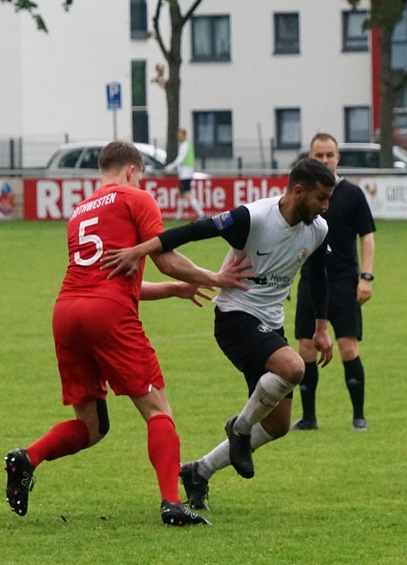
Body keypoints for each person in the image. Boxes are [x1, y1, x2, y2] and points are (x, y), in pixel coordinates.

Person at [4, 140, 250, 526]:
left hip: (66, 312)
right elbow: (166, 260)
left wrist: (175, 290)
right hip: (107, 314)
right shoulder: (136, 198)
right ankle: (172, 504)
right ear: (132, 170)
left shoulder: (79, 212)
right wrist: (214, 277)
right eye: (142, 177)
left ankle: (27, 457)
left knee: (91, 426)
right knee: (158, 410)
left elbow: (116, 280)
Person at [103, 158, 336, 511]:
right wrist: (141, 249)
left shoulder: (317, 229)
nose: (326, 206)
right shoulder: (253, 218)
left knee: (278, 426)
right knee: (293, 368)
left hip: (270, 324)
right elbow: (192, 231)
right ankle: (239, 429)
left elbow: (317, 276)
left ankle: (199, 471)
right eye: (321, 198)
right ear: (299, 191)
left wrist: (321, 328)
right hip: (234, 317)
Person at [291, 133, 377, 432]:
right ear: (310, 159)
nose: (325, 160)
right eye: (319, 155)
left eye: (330, 155)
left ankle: (359, 417)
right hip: (309, 280)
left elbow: (367, 237)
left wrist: (366, 277)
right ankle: (309, 418)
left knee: (347, 347)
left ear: (338, 158)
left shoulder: (352, 194)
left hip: (344, 281)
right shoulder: (302, 195)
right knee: (305, 348)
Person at [165, 128, 205, 221]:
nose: (178, 137)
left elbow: (180, 159)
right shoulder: (187, 145)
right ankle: (178, 216)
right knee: (181, 194)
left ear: (184, 135)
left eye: (180, 135)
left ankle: (201, 214)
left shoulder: (184, 145)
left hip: (186, 173)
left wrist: (169, 167)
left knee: (186, 194)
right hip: (186, 173)